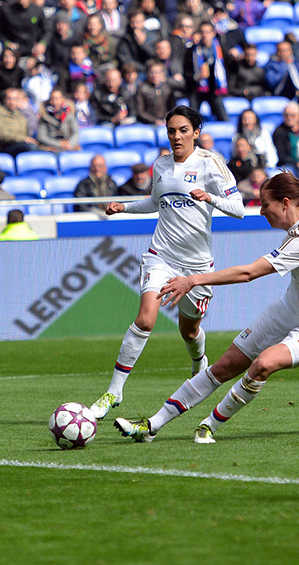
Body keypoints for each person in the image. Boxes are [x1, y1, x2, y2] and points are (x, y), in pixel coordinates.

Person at [113, 172, 299, 444]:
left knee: (263, 364)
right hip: (290, 309)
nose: (262, 211)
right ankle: (150, 426)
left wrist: (193, 280)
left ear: (285, 203)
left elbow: (248, 273)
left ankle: (209, 425)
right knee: (225, 365)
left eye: (265, 204)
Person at [89, 106, 245, 421]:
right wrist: (125, 207)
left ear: (196, 133)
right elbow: (154, 201)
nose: (176, 136)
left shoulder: (211, 164)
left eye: (183, 130)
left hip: (198, 267)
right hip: (162, 255)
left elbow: (239, 208)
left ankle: (199, 363)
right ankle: (114, 392)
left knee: (189, 331)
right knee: (146, 319)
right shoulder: (161, 164)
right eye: (172, 130)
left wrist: (210, 198)